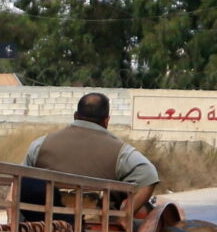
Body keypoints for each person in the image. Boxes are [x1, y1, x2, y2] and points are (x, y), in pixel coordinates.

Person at [24, 92, 159, 216]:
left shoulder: (40, 144)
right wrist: (125, 216)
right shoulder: (122, 152)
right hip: (98, 226)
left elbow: (21, 183)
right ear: (106, 121)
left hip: (44, 222)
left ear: (75, 116)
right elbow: (149, 175)